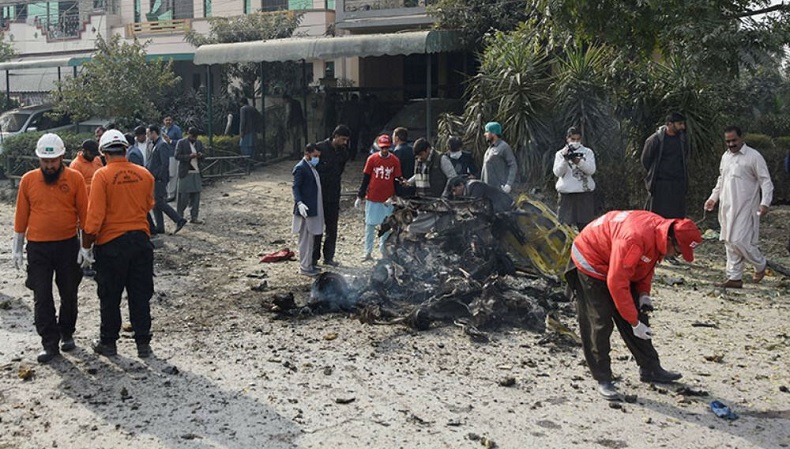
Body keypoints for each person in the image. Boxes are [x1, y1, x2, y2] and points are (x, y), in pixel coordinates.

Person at [567, 210, 702, 400]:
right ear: (671, 240)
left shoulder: (659, 231)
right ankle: (603, 378)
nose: (677, 256)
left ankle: (651, 369)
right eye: (679, 252)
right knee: (600, 320)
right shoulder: (634, 239)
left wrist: (644, 294)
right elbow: (617, 283)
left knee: (638, 313)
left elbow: (646, 264)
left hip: (616, 261)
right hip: (591, 259)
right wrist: (633, 321)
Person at [12, 133, 89, 363]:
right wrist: (17, 247)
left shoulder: (75, 179)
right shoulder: (28, 180)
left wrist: (86, 248)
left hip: (67, 245)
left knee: (69, 293)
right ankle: (49, 342)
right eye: (45, 162)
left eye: (53, 161)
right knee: (41, 295)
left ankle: (67, 332)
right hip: (37, 248)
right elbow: (21, 216)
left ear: (61, 157)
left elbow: (85, 215)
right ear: (39, 160)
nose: (49, 165)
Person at [82, 130, 156, 358]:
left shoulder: (102, 176)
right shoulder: (145, 175)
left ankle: (109, 343)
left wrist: (86, 246)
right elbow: (148, 206)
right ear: (125, 149)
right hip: (141, 242)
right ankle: (143, 343)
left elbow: (95, 217)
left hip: (112, 244)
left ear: (103, 153)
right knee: (140, 295)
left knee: (110, 296)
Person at [704, 126, 774, 288]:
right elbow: (721, 180)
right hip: (727, 206)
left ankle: (760, 264)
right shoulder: (725, 157)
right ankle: (734, 277)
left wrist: (765, 203)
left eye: (734, 140)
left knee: (739, 241)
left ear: (742, 138)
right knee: (729, 241)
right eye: (727, 141)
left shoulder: (754, 157)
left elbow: (766, 182)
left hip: (746, 207)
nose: (731, 144)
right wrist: (713, 198)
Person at [355, 134, 403, 261]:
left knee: (386, 226)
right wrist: (360, 196)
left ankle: (383, 251)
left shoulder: (394, 161)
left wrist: (397, 197)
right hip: (372, 197)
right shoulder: (372, 159)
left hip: (387, 199)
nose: (385, 150)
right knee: (370, 225)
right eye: (383, 148)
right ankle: (368, 252)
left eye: (387, 148)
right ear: (379, 147)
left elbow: (397, 179)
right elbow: (366, 178)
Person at [312, 125, 351, 267]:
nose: (344, 142)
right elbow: (310, 168)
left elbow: (339, 171)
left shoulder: (343, 152)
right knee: (317, 228)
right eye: (343, 139)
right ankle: (313, 258)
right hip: (319, 194)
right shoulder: (319, 148)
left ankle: (328, 257)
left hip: (334, 194)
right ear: (335, 136)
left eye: (346, 140)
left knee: (332, 228)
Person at [641, 112, 689, 219]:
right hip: (660, 185)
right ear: (669, 124)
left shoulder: (682, 139)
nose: (683, 127)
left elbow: (684, 157)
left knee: (676, 218)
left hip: (677, 185)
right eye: (679, 124)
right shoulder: (655, 140)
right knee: (657, 218)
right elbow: (646, 160)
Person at [553, 126, 597, 230]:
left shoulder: (588, 152)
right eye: (573, 139)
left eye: (578, 139)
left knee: (585, 227)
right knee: (564, 226)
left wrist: (578, 161)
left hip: (584, 194)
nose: (575, 142)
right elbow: (558, 172)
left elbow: (591, 170)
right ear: (567, 139)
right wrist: (565, 159)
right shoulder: (560, 154)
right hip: (566, 195)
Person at [146, 124, 186, 235]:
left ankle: (178, 219)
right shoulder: (155, 144)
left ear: (154, 133)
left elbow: (165, 163)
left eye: (148, 133)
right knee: (155, 203)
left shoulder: (161, 145)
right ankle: (160, 226)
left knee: (159, 202)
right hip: (154, 178)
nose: (147, 135)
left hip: (159, 179)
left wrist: (158, 176)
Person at [292, 143, 323, 277]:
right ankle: (305, 267)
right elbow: (296, 187)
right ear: (307, 154)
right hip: (305, 209)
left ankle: (309, 265)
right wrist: (299, 203)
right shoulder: (301, 168)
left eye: (318, 156)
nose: (317, 158)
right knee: (305, 239)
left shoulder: (311, 167)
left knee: (311, 238)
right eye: (315, 156)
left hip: (313, 207)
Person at [174, 127, 205, 224]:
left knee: (196, 196)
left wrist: (200, 155)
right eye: (193, 136)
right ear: (188, 134)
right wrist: (189, 156)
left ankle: (194, 217)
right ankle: (179, 218)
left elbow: (204, 155)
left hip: (196, 171)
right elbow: (177, 156)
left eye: (196, 136)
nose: (194, 138)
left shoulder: (199, 143)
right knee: (183, 196)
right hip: (185, 172)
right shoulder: (181, 142)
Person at [443, 176, 514, 214]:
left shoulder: (474, 185)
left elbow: (475, 205)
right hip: (496, 210)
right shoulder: (466, 191)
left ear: (461, 185)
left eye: (454, 190)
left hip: (504, 206)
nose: (454, 194)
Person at [481, 122, 517, 194]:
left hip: (499, 190)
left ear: (493, 133)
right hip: (488, 189)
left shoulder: (504, 147)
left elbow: (513, 165)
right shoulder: (490, 148)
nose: (485, 134)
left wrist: (508, 185)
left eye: (487, 131)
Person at [162, 116, 183, 201]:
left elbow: (180, 141)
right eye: (166, 120)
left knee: (172, 174)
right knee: (165, 174)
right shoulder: (162, 129)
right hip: (164, 154)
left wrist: (170, 141)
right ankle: (166, 193)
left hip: (172, 154)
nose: (168, 121)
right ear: (163, 121)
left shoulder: (176, 129)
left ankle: (172, 194)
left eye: (170, 120)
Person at [284, 94, 307, 159]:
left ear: (286, 99)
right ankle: (298, 153)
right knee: (298, 139)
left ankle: (295, 154)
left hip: (293, 123)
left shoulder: (289, 104)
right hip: (299, 122)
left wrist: (286, 124)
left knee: (294, 139)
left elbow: (288, 114)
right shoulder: (297, 102)